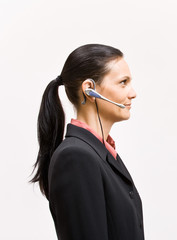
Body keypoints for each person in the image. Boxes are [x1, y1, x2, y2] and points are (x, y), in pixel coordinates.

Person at [31, 44, 144, 240]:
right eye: (123, 82)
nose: (133, 93)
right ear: (90, 90)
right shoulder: (76, 157)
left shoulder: (101, 153)